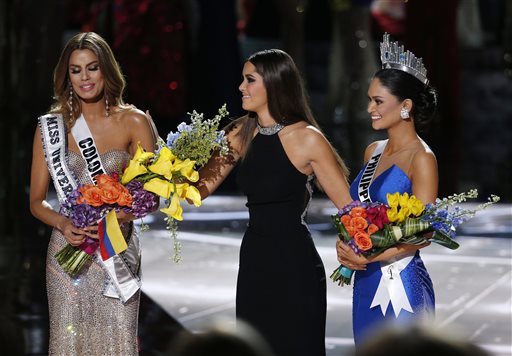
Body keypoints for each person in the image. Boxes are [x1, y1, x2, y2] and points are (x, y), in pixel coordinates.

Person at [196, 49, 352, 356]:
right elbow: (198, 189)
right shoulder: (240, 133)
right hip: (255, 260)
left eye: (250, 80)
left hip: (295, 264)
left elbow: (349, 208)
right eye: (243, 79)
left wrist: (361, 249)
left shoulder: (308, 138)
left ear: (274, 83)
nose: (241, 87)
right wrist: (155, 170)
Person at [29, 32, 157, 355]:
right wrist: (62, 223)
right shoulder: (52, 127)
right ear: (67, 76)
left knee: (118, 344)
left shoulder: (134, 121)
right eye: (76, 70)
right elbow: (36, 200)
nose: (84, 78)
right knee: (68, 344)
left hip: (115, 251)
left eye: (92, 68)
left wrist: (119, 215)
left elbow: (152, 193)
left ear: (107, 70)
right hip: (68, 255)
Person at [336, 33, 439, 346]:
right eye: (369, 99)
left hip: (401, 282)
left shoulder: (422, 158)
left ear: (405, 105)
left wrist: (370, 253)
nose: (369, 108)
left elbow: (423, 233)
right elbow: (358, 213)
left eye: (378, 101)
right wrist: (347, 245)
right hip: (367, 279)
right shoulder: (373, 150)